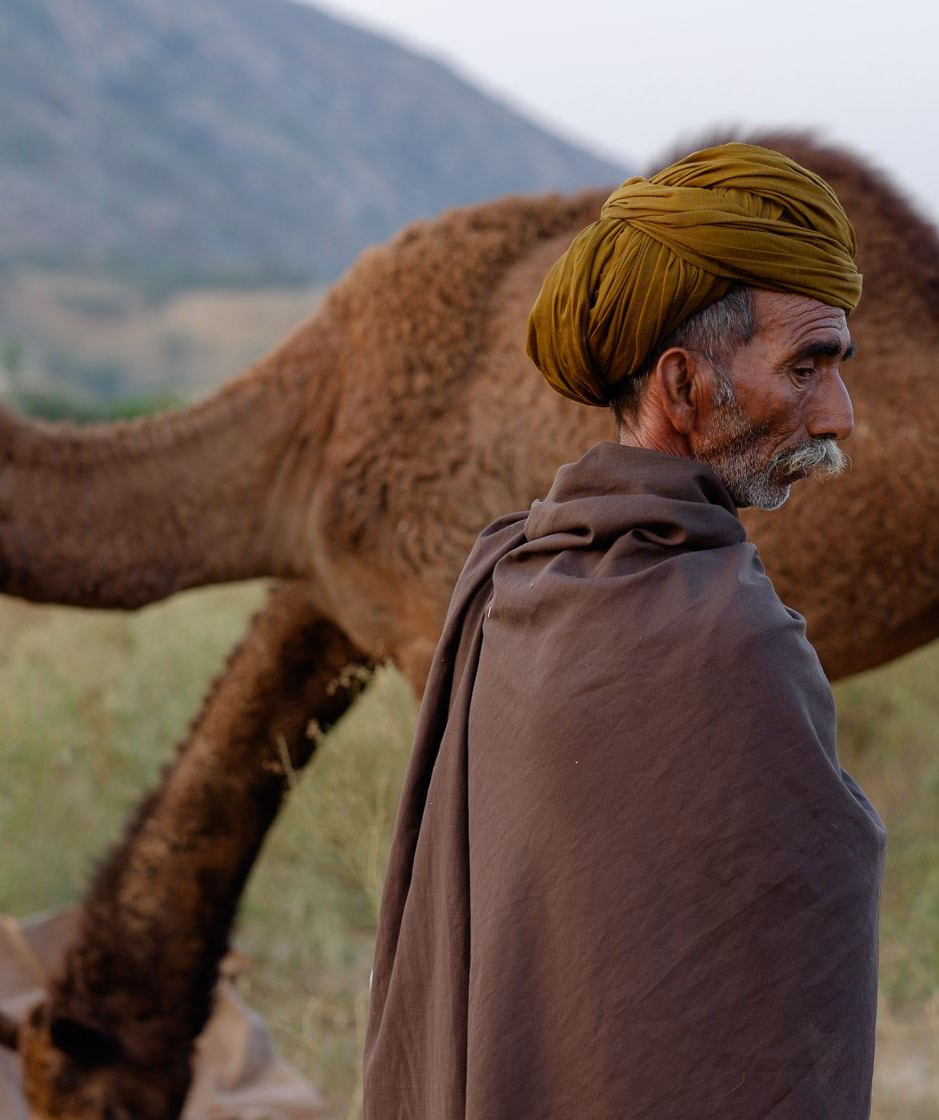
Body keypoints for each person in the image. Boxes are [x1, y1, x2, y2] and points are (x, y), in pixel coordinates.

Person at [362, 142, 886, 1120]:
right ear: (683, 387)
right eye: (807, 367)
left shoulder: (505, 576)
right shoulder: (735, 635)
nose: (840, 416)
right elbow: (775, 1019)